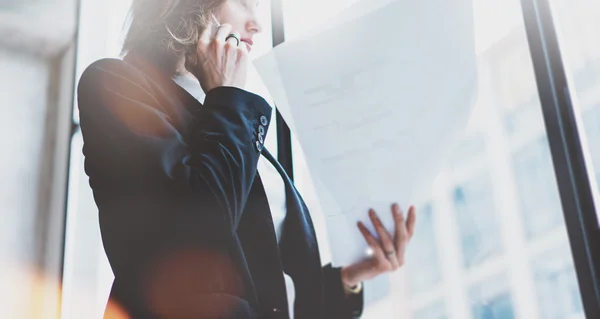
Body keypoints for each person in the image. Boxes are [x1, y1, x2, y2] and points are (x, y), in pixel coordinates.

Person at [77, 0, 417, 318]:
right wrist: (227, 95)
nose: (256, 25)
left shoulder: (224, 112)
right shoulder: (115, 84)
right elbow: (193, 231)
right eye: (243, 2)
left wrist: (348, 279)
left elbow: (266, 287)